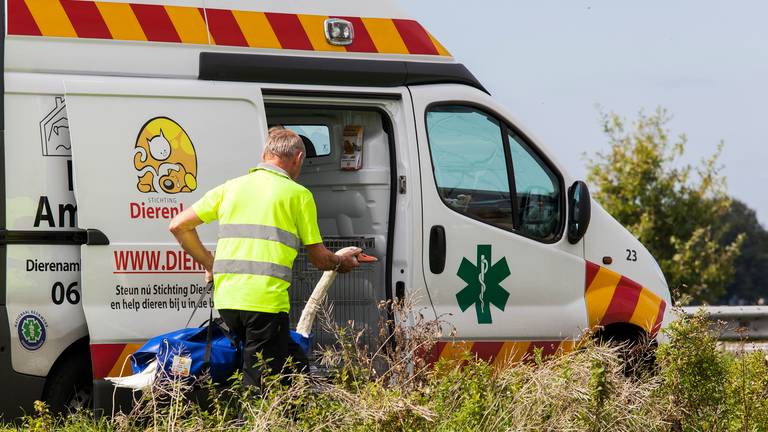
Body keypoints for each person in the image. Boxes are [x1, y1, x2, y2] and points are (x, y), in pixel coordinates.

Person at [169, 128, 360, 388]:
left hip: (227, 302)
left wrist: (208, 262)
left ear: (264, 154)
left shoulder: (230, 188)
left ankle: (301, 416)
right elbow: (320, 260)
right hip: (264, 304)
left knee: (294, 366)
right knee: (259, 383)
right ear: (299, 158)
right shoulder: (298, 195)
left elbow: (179, 225)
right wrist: (342, 262)